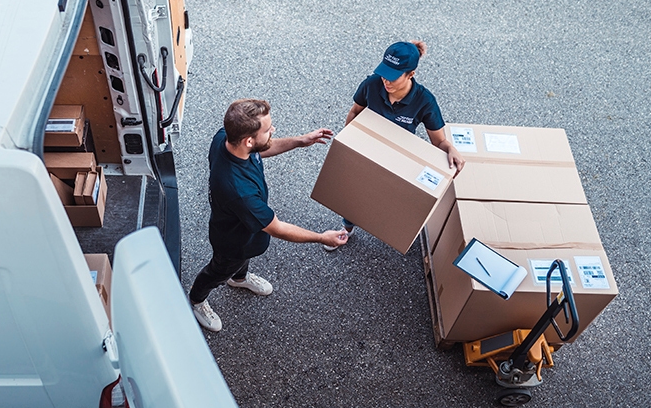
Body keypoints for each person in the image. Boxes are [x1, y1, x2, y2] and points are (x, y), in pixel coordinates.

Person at [189, 99, 348, 332]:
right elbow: (277, 228)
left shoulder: (225, 138)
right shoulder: (240, 192)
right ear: (249, 140)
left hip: (247, 231)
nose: (273, 130)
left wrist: (299, 141)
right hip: (233, 242)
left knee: (241, 261)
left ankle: (239, 279)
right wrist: (322, 238)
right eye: (268, 129)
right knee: (219, 270)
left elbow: (261, 150)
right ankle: (196, 300)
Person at [325, 40, 466, 251]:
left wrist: (451, 149)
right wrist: (349, 142)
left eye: (393, 76)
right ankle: (347, 226)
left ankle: (389, 229)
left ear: (411, 74)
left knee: (389, 196)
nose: (385, 80)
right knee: (355, 192)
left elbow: (439, 141)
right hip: (367, 149)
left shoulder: (425, 101)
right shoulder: (372, 84)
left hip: (398, 157)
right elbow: (355, 111)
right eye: (384, 72)